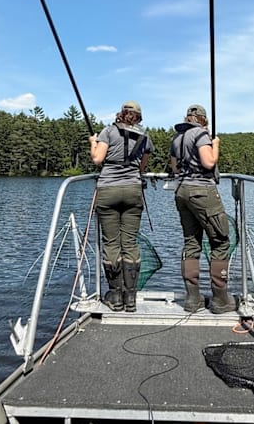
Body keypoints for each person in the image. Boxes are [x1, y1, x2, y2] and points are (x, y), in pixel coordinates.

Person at [169, 104, 237, 314]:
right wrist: (215, 144)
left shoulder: (177, 138)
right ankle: (220, 300)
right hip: (203, 191)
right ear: (203, 119)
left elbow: (174, 167)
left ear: (187, 118)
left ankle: (192, 299)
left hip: (182, 191)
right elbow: (209, 162)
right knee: (220, 240)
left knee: (191, 242)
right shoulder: (200, 134)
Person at [89, 101, 154, 313]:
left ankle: (115, 297)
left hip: (108, 190)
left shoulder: (108, 132)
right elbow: (142, 167)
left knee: (111, 244)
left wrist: (93, 142)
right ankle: (131, 299)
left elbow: (98, 159)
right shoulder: (145, 137)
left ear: (121, 113)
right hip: (133, 191)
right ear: (138, 117)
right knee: (130, 243)